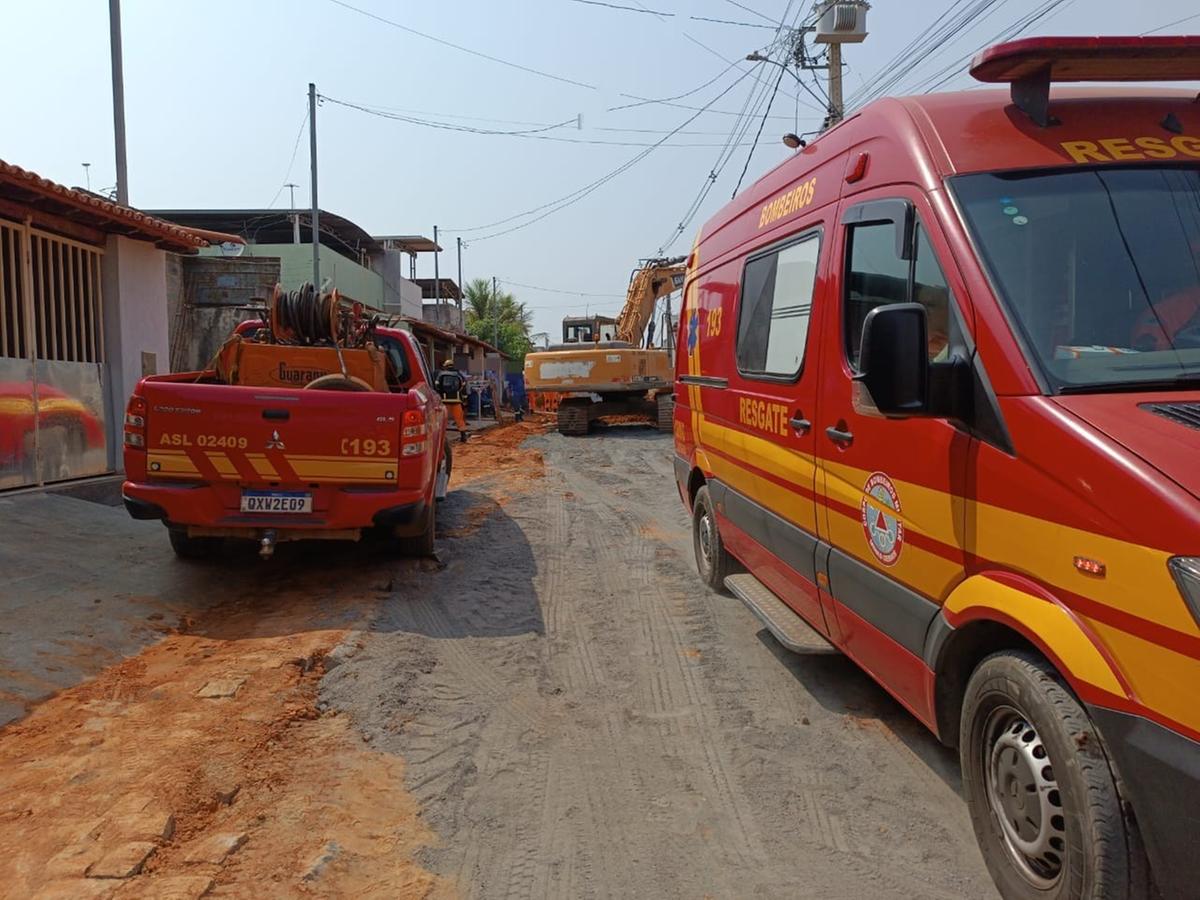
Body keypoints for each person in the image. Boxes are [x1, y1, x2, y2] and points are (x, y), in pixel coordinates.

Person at [434, 359, 468, 442]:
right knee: (459, 419)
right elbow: (463, 388)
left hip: (444, 401)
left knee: (442, 420)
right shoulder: (459, 375)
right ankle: (463, 437)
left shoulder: (441, 374)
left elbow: (437, 386)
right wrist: (464, 400)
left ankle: (441, 439)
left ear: (445, 366)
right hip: (457, 401)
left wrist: (439, 396)